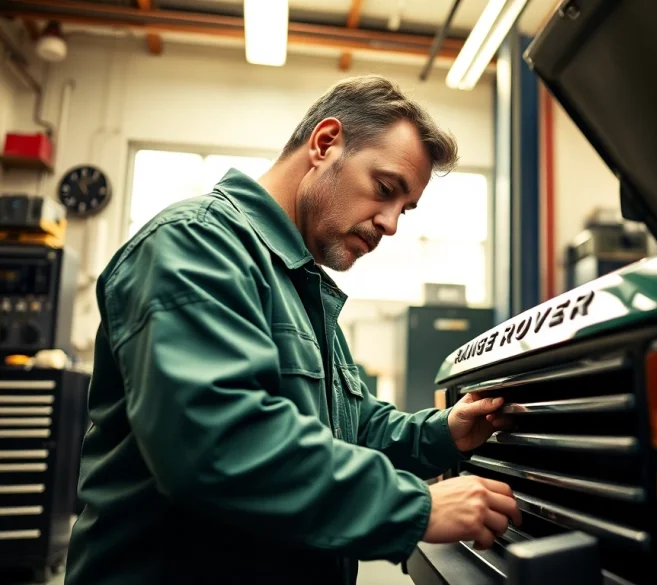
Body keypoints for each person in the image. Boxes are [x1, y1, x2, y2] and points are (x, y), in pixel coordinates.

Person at [65, 75, 521, 585]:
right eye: (385, 189)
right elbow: (218, 445)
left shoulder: (301, 285)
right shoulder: (195, 246)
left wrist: (442, 433)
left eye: (404, 209)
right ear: (325, 144)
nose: (391, 224)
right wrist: (414, 506)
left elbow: (350, 427)